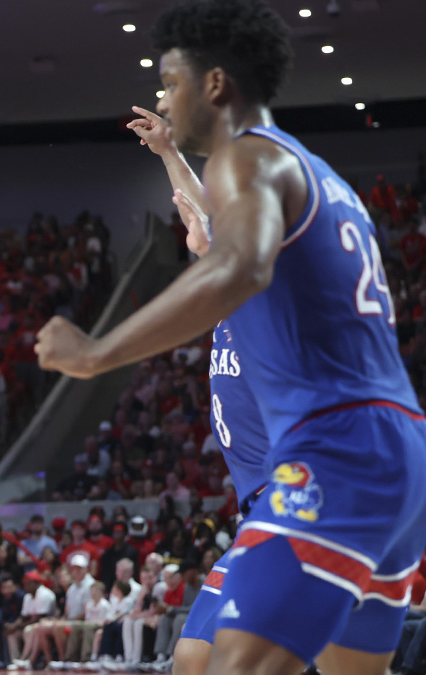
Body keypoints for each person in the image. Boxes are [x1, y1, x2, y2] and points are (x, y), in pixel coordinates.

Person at [36, 1, 426, 674]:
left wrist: (96, 354)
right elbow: (221, 239)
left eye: (171, 80)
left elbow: (238, 264)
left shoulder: (245, 157)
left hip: (335, 446)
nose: (166, 96)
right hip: (396, 450)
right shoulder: (318, 176)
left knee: (227, 667)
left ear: (214, 84)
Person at [127, 61, 272, 675]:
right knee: (191, 658)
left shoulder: (262, 294)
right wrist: (166, 151)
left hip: (292, 501)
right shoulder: (225, 299)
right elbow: (198, 208)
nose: (194, 229)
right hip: (253, 509)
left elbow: (218, 228)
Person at [8, 571, 56, 670]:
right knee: (12, 634)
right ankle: (16, 661)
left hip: (46, 623)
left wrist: (19, 626)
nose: (25, 586)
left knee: (30, 630)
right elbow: (23, 616)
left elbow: (40, 618)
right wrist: (14, 625)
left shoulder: (44, 594)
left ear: (36, 583)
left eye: (28, 583)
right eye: (25, 583)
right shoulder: (28, 596)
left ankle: (26, 659)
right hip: (33, 624)